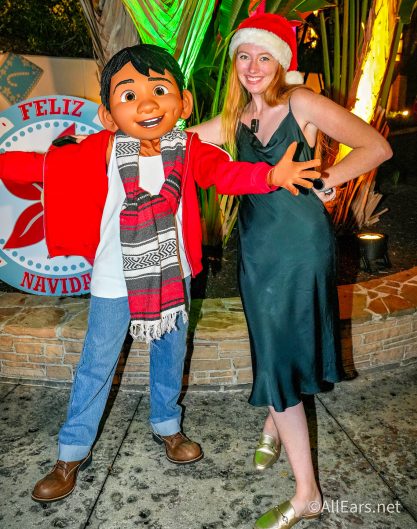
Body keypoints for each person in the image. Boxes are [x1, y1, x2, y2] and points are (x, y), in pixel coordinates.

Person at [0, 43, 321, 503]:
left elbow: (227, 173)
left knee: (170, 353)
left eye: (159, 90)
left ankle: (167, 425)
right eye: (128, 95)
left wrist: (269, 176)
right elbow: (42, 167)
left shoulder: (188, 148)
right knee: (96, 363)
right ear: (108, 114)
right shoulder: (102, 149)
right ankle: (71, 453)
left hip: (173, 275)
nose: (147, 104)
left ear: (183, 103)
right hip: (114, 277)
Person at [191, 13, 393, 529]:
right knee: (275, 344)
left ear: (281, 61)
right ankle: (274, 422)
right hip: (257, 251)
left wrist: (327, 179)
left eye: (264, 56)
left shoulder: (300, 102)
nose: (253, 66)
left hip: (300, 247)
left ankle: (308, 494)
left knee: (278, 351)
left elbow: (376, 146)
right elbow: (183, 141)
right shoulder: (236, 118)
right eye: (244, 56)